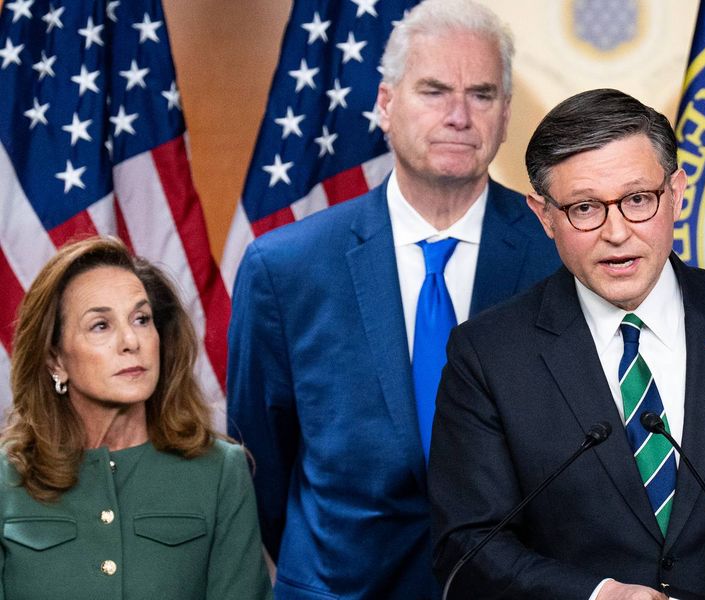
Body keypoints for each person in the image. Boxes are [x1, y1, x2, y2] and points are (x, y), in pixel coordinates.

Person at [428, 88, 705, 600]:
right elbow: (468, 546)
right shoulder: (488, 356)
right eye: (584, 208)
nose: (617, 232)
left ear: (676, 193)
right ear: (545, 216)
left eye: (638, 200)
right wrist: (597, 595)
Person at [225, 0, 560, 597]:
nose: (459, 116)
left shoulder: (558, 254)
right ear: (385, 103)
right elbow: (259, 465)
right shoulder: (285, 268)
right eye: (434, 91)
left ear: (506, 114)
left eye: (482, 95)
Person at [0, 236, 270, 599]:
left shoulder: (220, 472)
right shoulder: (6, 478)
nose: (131, 341)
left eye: (141, 319)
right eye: (101, 325)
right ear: (56, 361)